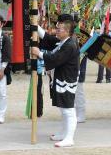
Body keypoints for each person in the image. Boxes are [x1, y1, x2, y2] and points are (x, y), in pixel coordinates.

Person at [32, 14, 80, 147]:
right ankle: (64, 133)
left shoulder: (70, 44)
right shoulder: (63, 41)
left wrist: (39, 53)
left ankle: (69, 138)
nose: (57, 31)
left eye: (59, 29)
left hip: (67, 80)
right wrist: (35, 25)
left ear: (67, 31)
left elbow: (55, 58)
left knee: (68, 110)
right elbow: (47, 38)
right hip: (60, 78)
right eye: (57, 28)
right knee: (63, 108)